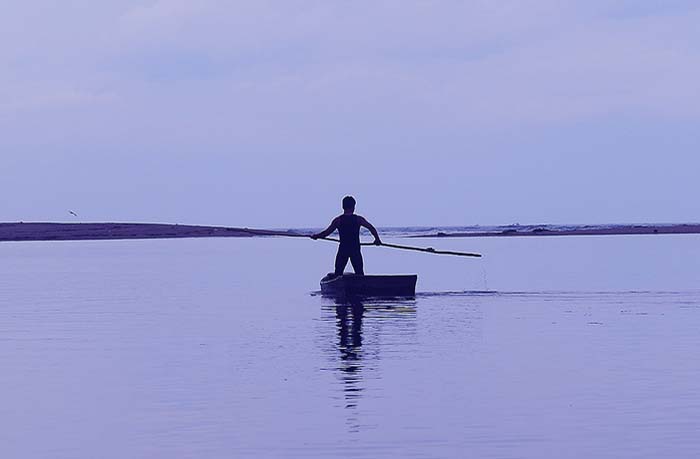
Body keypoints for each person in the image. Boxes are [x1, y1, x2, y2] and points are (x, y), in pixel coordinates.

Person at [311, 196, 382, 276]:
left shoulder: (338, 220)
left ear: (343, 206)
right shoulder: (358, 219)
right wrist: (377, 239)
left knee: (338, 272)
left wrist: (316, 236)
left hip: (343, 249)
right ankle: (361, 286)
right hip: (355, 249)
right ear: (353, 207)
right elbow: (371, 228)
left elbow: (326, 233)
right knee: (359, 273)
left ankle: (339, 285)